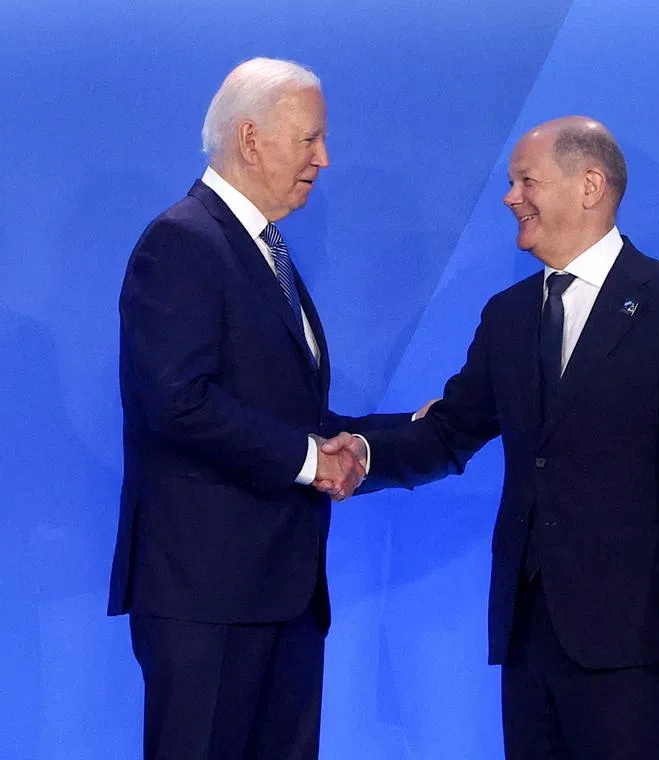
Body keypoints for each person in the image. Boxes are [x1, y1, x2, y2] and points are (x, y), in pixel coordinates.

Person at [326, 116, 659, 758]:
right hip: (529, 625)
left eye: (526, 180)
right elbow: (451, 430)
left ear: (589, 185)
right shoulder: (510, 314)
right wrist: (361, 451)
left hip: (637, 628)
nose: (510, 197)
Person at [108, 57, 410, 759]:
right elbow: (177, 402)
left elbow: (284, 408)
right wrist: (312, 461)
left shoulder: (259, 248)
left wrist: (395, 438)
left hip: (282, 594)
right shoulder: (184, 241)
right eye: (310, 140)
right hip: (208, 600)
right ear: (251, 140)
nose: (324, 159)